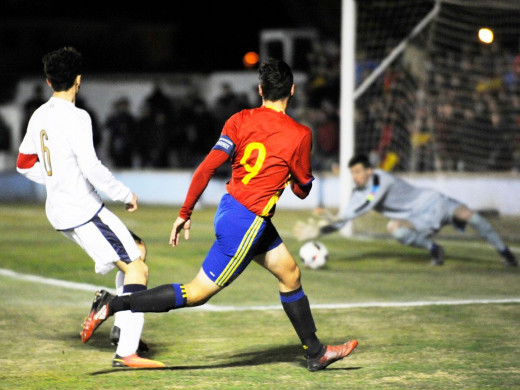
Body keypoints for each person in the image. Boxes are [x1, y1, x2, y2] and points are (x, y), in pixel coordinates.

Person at [81, 58, 358, 372]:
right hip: (249, 221)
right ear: (292, 90)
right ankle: (113, 304)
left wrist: (185, 212)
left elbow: (207, 167)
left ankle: (316, 352)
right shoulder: (300, 134)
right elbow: (303, 190)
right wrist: (294, 178)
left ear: (260, 90)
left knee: (290, 273)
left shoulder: (240, 119)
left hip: (231, 209)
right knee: (197, 292)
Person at [15, 46, 164, 368]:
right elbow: (92, 167)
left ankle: (120, 327)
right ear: (78, 80)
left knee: (137, 247)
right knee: (138, 268)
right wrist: (125, 194)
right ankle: (126, 352)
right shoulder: (78, 117)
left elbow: (24, 163)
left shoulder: (39, 114)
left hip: (59, 210)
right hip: (82, 209)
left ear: (48, 81)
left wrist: (55, 180)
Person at [295, 154, 518, 267]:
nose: (356, 177)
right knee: (395, 229)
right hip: (414, 219)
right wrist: (322, 231)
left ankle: (505, 253)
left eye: (359, 172)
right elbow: (345, 219)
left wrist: (328, 223)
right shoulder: (357, 194)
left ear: (369, 170)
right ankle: (434, 249)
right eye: (353, 173)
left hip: (433, 203)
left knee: (472, 217)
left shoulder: (380, 180)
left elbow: (361, 209)